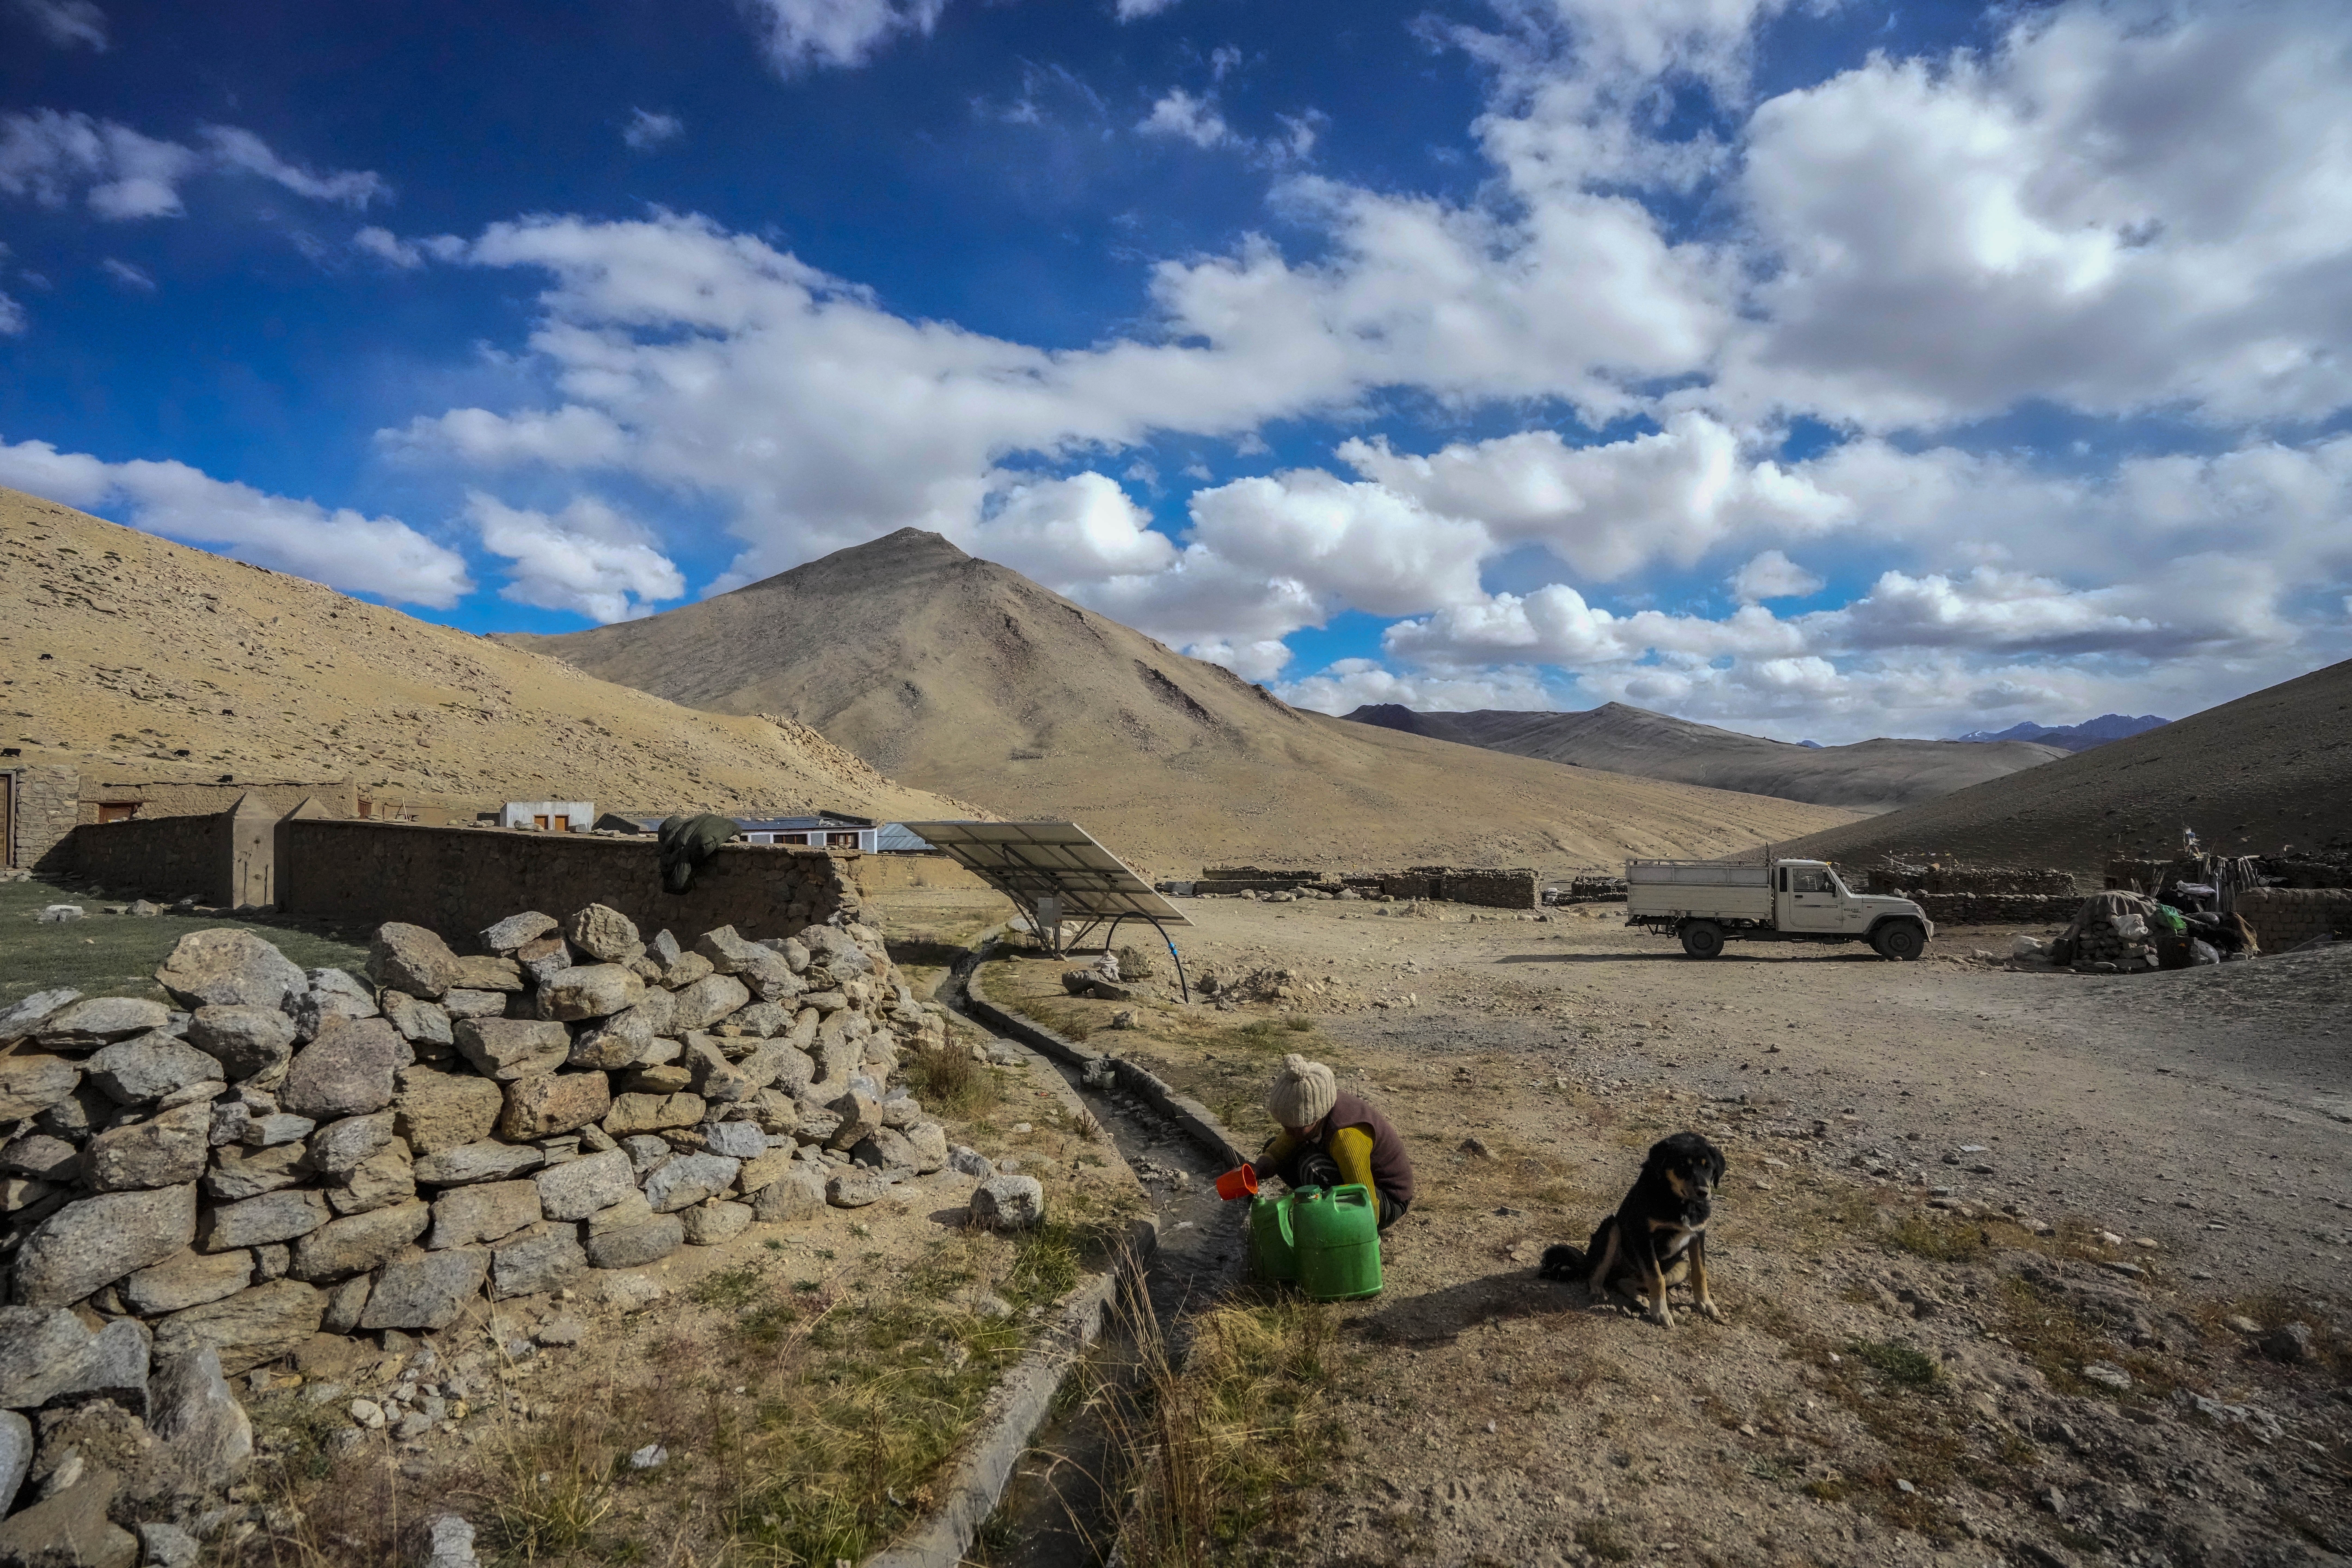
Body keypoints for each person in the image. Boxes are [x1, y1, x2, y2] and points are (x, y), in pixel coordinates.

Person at [1251, 1054, 1414, 1230]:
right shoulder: (1320, 1108)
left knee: (1312, 1167)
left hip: (1386, 1199)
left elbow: (1367, 1205)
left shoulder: (1346, 1139)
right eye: (1286, 1126)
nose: (1289, 1132)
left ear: (1315, 1118)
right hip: (1357, 1181)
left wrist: (1359, 1237)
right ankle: (1325, 1207)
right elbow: (1279, 1151)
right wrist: (1257, 1170)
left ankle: (1333, 1222)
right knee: (1275, 1149)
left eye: (1296, 1127)